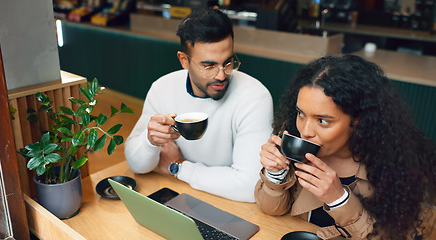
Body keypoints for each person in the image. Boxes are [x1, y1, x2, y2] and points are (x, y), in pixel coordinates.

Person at [254, 55, 436, 239]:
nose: (305, 130)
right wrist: (275, 174)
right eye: (301, 113)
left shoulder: (396, 168)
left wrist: (339, 199)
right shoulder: (293, 137)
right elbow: (271, 209)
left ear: (358, 119)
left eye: (323, 120)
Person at [124, 8, 273, 202]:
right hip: (177, 193)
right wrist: (149, 141)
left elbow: (249, 186)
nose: (221, 75)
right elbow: (137, 166)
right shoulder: (163, 88)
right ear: (184, 60)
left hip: (231, 205)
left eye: (228, 63)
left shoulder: (254, 97)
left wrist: (179, 166)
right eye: (209, 66)